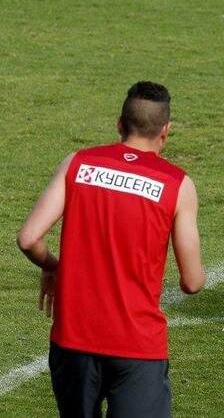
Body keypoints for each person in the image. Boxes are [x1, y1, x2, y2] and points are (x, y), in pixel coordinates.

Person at [16, 81, 205, 417]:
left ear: (120, 123)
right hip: (137, 348)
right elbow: (192, 282)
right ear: (166, 130)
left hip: (72, 341)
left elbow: (29, 239)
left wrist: (54, 266)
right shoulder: (177, 184)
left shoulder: (78, 163)